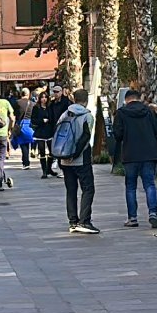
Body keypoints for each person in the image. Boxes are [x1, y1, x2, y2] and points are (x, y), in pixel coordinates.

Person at [113, 88, 157, 229]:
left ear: (126, 100)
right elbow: (156, 130)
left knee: (131, 187)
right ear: (138, 98)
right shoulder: (149, 111)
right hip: (148, 153)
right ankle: (153, 214)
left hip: (130, 154)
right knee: (149, 184)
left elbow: (117, 135)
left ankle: (132, 218)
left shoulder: (121, 113)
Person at [56, 88, 97, 234]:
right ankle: (84, 221)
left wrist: (63, 155)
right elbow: (85, 138)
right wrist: (76, 153)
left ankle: (72, 221)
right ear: (86, 100)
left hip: (65, 159)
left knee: (71, 190)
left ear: (73, 98)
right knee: (88, 189)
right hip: (81, 159)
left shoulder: (64, 114)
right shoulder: (87, 116)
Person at [31, 90, 58, 178]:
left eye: (45, 97)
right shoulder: (36, 107)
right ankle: (44, 171)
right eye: (42, 97)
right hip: (40, 132)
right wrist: (41, 121)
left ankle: (49, 168)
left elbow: (53, 118)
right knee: (41, 151)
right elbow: (33, 120)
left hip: (49, 131)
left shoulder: (50, 107)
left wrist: (49, 121)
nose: (44, 99)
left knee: (51, 151)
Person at [14, 88, 35, 169]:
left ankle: (26, 163)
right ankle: (32, 151)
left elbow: (14, 114)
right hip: (30, 125)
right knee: (31, 141)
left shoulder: (17, 103)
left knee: (23, 145)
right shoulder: (32, 104)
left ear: (21, 94)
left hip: (21, 125)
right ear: (28, 94)